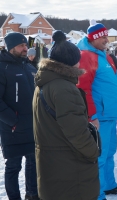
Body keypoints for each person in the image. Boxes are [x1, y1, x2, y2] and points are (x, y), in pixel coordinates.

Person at [32, 31, 99, 200]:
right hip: (69, 167)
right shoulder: (64, 88)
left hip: (53, 162)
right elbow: (77, 132)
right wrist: (93, 151)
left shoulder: (45, 83)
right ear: (73, 62)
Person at [77, 20, 117, 200]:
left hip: (110, 115)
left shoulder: (104, 55)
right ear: (93, 39)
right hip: (100, 117)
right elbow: (83, 89)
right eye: (102, 36)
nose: (106, 39)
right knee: (99, 157)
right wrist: (92, 115)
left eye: (106, 35)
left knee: (110, 152)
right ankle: (97, 194)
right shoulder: (87, 56)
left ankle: (108, 185)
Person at [0, 32, 38, 200]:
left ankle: (32, 194)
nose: (25, 48)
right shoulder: (2, 67)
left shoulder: (29, 67)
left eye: (26, 45)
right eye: (21, 46)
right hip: (12, 129)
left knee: (33, 162)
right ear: (11, 48)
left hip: (32, 125)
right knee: (13, 166)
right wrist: (13, 121)